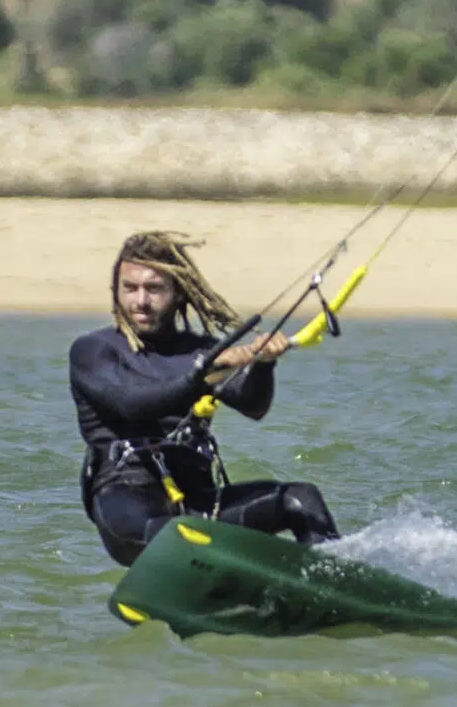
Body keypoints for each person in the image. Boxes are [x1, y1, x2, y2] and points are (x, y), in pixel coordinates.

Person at [69, 230, 343, 566]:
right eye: (130, 288)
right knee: (174, 532)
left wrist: (263, 366)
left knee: (301, 499)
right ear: (116, 292)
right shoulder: (94, 351)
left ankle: (335, 584)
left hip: (198, 501)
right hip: (126, 495)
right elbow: (132, 401)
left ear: (178, 293)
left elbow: (253, 406)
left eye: (154, 289)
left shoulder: (197, 351)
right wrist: (207, 369)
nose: (140, 300)